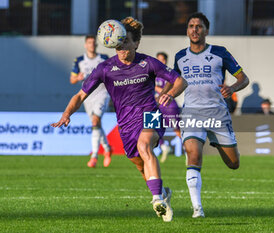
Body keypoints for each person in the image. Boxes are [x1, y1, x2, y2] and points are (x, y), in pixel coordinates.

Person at [52, 17, 187, 222]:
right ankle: (163, 193)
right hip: (125, 123)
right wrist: (66, 113)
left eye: (126, 42)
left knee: (144, 146)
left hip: (151, 114)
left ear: (136, 43)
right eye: (118, 44)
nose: (121, 47)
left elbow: (180, 81)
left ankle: (157, 199)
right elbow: (80, 95)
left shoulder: (148, 62)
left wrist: (170, 94)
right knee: (140, 165)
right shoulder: (105, 68)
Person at [174, 12, 249, 218]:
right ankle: (197, 208)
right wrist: (166, 95)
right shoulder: (180, 57)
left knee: (233, 164)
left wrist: (232, 89)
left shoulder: (220, 52)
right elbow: (178, 84)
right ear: (187, 30)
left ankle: (223, 143)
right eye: (191, 26)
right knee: (194, 155)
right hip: (191, 113)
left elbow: (244, 78)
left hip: (217, 114)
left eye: (199, 26)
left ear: (206, 31)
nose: (194, 29)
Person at [70, 35, 112, 168]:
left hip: (102, 93)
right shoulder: (80, 60)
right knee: (96, 124)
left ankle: (94, 156)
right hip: (87, 96)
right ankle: (107, 148)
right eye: (89, 43)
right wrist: (78, 78)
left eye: (93, 42)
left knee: (95, 121)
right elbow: (72, 79)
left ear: (96, 44)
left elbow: (113, 74)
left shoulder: (104, 58)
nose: (92, 45)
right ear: (85, 45)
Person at [155, 52, 182, 163]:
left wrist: (157, 88)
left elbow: (171, 90)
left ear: (166, 61)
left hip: (169, 105)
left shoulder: (170, 73)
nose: (161, 62)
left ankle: (188, 150)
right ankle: (163, 147)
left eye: (163, 59)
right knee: (152, 127)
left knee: (177, 129)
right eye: (158, 59)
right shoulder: (153, 73)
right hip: (156, 105)